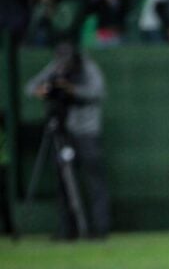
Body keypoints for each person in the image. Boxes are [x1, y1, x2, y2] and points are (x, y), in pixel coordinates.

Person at [25, 42, 110, 240]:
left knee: (94, 181)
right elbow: (30, 87)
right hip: (62, 132)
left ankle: (99, 229)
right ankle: (66, 230)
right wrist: (43, 91)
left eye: (66, 61)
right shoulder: (54, 68)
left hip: (87, 132)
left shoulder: (88, 68)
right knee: (63, 183)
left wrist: (72, 90)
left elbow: (98, 92)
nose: (62, 66)